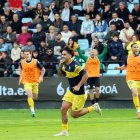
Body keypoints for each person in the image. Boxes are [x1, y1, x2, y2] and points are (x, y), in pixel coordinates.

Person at [54, 47, 102, 136]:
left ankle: (93, 107)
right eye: (62, 54)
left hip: (79, 94)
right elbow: (60, 75)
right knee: (63, 109)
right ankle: (64, 131)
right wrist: (60, 65)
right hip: (71, 92)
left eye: (64, 54)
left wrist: (79, 86)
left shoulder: (75, 65)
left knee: (74, 115)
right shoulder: (65, 64)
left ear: (70, 55)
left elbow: (86, 75)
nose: (62, 56)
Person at [114, 43, 140, 119]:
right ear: (132, 49)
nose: (136, 48)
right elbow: (125, 66)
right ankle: (138, 112)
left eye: (137, 47)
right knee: (135, 94)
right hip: (131, 78)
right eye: (135, 47)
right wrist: (118, 68)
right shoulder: (127, 57)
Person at [19, 48, 45, 117]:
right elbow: (21, 69)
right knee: (29, 94)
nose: (26, 55)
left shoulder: (35, 61)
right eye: (25, 54)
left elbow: (43, 69)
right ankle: (32, 111)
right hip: (26, 81)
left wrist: (41, 77)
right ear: (24, 55)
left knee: (35, 97)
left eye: (28, 54)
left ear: (30, 54)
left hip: (35, 81)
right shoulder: (22, 62)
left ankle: (31, 104)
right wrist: (21, 77)